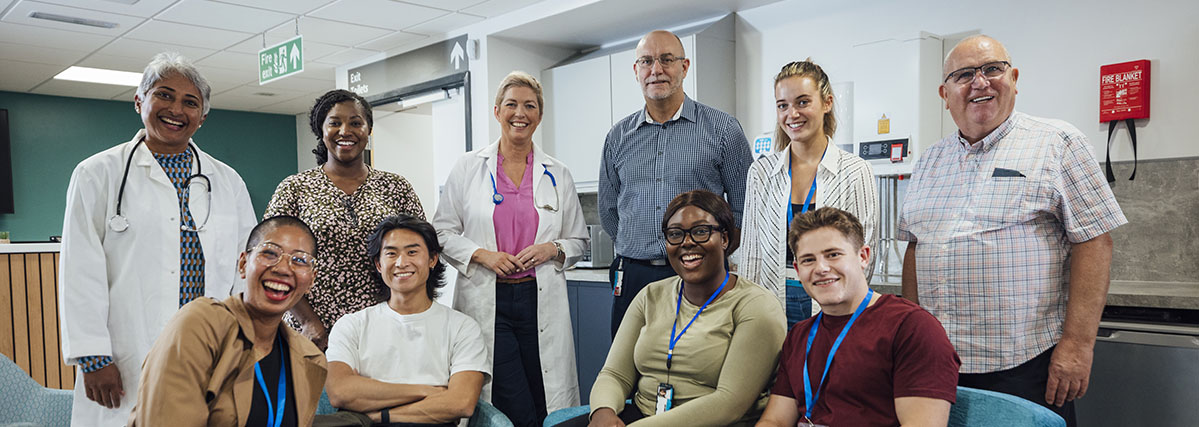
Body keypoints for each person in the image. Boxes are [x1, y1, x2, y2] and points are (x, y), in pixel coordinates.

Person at [898, 35, 1126, 426]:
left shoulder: (1058, 143)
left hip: (1025, 367)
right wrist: (913, 340)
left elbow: (1095, 240)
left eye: (992, 69)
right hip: (939, 366)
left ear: (1014, 77)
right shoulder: (929, 161)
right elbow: (916, 248)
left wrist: (1076, 346)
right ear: (945, 92)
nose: (980, 82)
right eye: (964, 74)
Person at [58, 51, 257, 426]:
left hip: (210, 351)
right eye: (164, 95)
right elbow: (80, 270)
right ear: (140, 101)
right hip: (127, 351)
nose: (176, 109)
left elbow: (244, 267)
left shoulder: (228, 181)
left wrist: (241, 343)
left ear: (202, 117)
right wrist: (93, 357)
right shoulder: (97, 173)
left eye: (190, 102)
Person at [432, 71, 588, 426]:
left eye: (529, 106)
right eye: (512, 105)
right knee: (511, 397)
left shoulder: (557, 173)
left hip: (539, 297)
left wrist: (552, 248)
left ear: (540, 115)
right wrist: (481, 254)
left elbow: (579, 240)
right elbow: (440, 231)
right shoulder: (469, 167)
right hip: (489, 300)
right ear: (497, 111)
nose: (521, 113)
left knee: (544, 391)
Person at [563, 190, 786, 427]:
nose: (687, 242)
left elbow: (729, 404)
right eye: (675, 234)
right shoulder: (651, 295)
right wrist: (603, 413)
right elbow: (615, 374)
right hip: (643, 414)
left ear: (725, 238)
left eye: (701, 231)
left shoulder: (756, 306)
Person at [598, 30, 753, 338]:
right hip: (633, 275)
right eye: (647, 61)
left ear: (685, 67)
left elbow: (743, 210)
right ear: (636, 71)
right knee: (628, 367)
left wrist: (710, 254)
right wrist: (640, 245)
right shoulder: (617, 137)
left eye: (667, 60)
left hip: (698, 271)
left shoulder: (723, 130)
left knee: (698, 363)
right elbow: (609, 211)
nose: (656, 69)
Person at [756, 207, 959, 427]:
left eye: (833, 254)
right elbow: (775, 420)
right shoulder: (799, 336)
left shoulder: (912, 327)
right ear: (797, 269)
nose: (821, 268)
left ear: (863, 256)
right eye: (808, 260)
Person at [265, 89, 425, 350]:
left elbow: (420, 255)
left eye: (355, 122)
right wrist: (308, 321)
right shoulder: (295, 188)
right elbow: (272, 261)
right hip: (312, 333)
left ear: (369, 129)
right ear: (321, 130)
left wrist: (413, 314)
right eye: (335, 122)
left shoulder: (396, 187)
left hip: (385, 327)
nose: (345, 131)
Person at [129, 216, 327, 426]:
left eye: (299, 260)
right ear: (243, 264)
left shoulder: (310, 359)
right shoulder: (201, 324)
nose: (283, 268)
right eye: (269, 253)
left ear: (311, 279)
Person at [740, 60, 878, 328]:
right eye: (783, 105)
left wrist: (845, 305)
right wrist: (748, 312)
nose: (792, 114)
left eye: (802, 102)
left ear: (826, 103)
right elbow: (751, 253)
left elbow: (864, 251)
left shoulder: (854, 170)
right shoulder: (762, 172)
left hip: (832, 300)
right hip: (773, 300)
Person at [324, 215, 489, 426]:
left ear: (432, 259)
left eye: (412, 252)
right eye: (391, 253)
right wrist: (428, 391)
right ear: (378, 264)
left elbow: (461, 403)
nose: (402, 263)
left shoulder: (463, 328)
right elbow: (339, 392)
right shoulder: (351, 325)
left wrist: (378, 413)